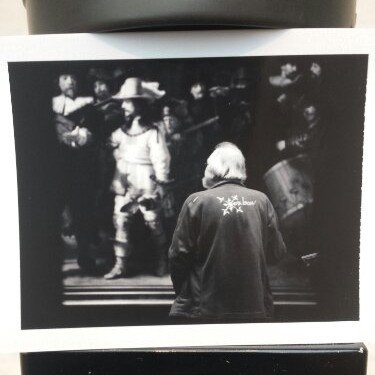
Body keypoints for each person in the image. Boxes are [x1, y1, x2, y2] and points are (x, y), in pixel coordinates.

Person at [169, 142, 286, 321]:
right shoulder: (262, 201)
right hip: (254, 308)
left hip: (206, 309)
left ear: (218, 169)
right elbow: (277, 253)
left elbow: (178, 256)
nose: (205, 169)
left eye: (207, 165)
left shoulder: (196, 201)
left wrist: (185, 293)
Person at [104, 77, 171, 279]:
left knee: (153, 222)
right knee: (121, 220)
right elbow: (108, 145)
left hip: (146, 180)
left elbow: (161, 159)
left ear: (139, 104)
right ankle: (120, 264)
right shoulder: (120, 131)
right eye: (123, 101)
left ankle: (162, 261)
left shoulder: (153, 132)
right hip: (124, 180)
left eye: (128, 101)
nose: (123, 105)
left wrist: (161, 183)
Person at [52, 73, 98, 273]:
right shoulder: (51, 104)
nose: (70, 81)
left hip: (80, 165)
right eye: (64, 77)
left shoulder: (88, 104)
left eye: (73, 77)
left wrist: (85, 136)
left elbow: (97, 130)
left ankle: (84, 254)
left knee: (81, 208)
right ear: (58, 82)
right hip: (56, 165)